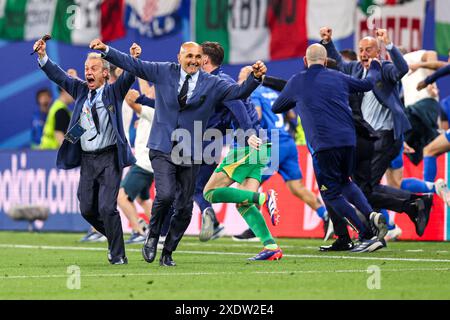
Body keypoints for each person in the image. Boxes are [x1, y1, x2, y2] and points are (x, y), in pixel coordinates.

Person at [90, 39, 266, 266]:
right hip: (162, 147)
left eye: (196, 57)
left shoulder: (212, 83)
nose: (193, 61)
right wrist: (106, 51)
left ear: (202, 60)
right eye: (188, 56)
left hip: (191, 152)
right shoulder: (163, 71)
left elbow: (239, 92)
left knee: (184, 207)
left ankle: (168, 252)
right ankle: (153, 236)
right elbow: (133, 65)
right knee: (165, 195)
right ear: (179, 57)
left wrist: (256, 77)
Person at [272, 43, 387, 253]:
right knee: (345, 182)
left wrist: (300, 99)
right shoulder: (338, 77)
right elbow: (368, 84)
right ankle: (370, 215)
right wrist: (376, 66)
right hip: (348, 142)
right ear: (325, 62)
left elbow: (276, 107)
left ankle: (367, 234)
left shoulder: (298, 80)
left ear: (305, 61)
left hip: (324, 145)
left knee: (331, 194)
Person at [320, 27, 433, 239]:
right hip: (369, 138)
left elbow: (402, 69)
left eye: (368, 49)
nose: (363, 54)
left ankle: (382, 226)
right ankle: (413, 204)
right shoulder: (355, 69)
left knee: (364, 189)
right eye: (361, 50)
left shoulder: (385, 68)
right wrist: (328, 43)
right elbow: (340, 64)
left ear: (377, 52)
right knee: (365, 188)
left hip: (386, 135)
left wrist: (389, 44)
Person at [33, 38, 138, 265]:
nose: (88, 73)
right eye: (86, 69)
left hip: (110, 157)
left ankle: (117, 254)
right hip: (88, 159)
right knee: (87, 209)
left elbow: (130, 74)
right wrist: (43, 57)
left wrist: (133, 59)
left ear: (105, 74)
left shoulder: (114, 92)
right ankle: (115, 238)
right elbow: (59, 75)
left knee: (107, 207)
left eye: (94, 69)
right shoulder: (80, 90)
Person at [232, 66, 330, 242]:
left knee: (250, 183)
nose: (238, 82)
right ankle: (325, 215)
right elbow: (291, 116)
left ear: (249, 80)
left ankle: (256, 227)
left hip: (271, 144)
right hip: (287, 143)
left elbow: (258, 116)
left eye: (241, 78)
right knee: (297, 187)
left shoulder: (253, 93)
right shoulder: (273, 92)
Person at [118, 83, 155, 244]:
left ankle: (138, 231)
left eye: (153, 89)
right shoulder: (153, 112)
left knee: (121, 197)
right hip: (146, 163)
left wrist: (123, 86)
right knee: (143, 199)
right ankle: (159, 230)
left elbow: (132, 102)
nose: (149, 90)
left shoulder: (155, 110)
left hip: (144, 164)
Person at [39, 72, 74, 150]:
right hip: (50, 152)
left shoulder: (57, 106)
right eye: (72, 90)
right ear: (63, 90)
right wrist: (67, 152)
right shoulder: (60, 110)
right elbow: (58, 134)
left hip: (46, 151)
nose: (74, 94)